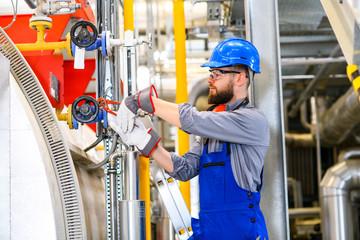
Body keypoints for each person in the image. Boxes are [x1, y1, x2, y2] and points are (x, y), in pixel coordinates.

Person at [109, 38, 270, 240]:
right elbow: (183, 169)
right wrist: (143, 140)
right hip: (210, 232)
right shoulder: (211, 134)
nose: (210, 80)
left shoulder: (253, 121)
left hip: (240, 233)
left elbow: (193, 120)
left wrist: (142, 101)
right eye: (211, 74)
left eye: (217, 74)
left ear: (240, 78)